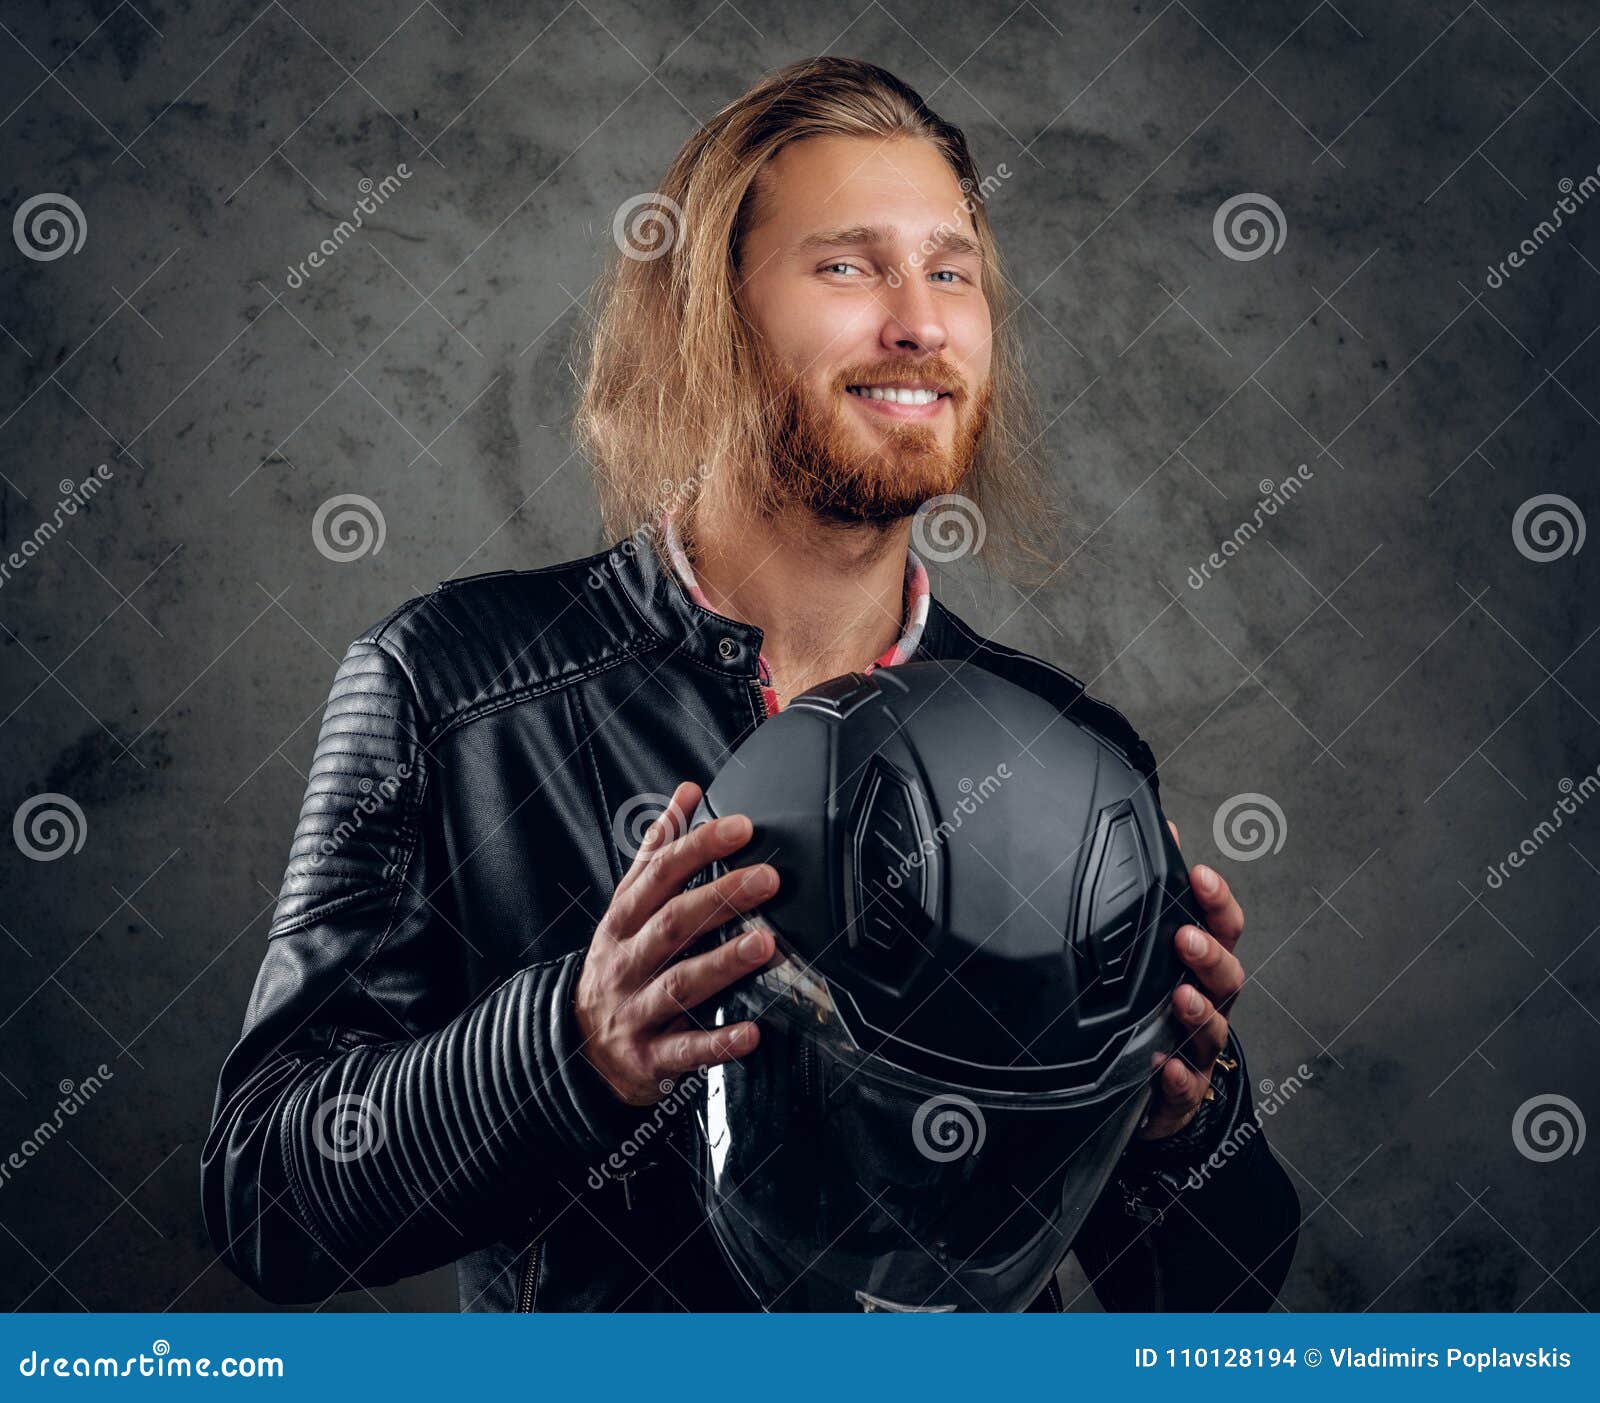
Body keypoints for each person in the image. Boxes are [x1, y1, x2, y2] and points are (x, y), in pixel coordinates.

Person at [201, 55, 1300, 1312]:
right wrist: (573, 1043)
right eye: (849, 264)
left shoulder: (1063, 752)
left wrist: (1180, 1130)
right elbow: (265, 1198)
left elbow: (1219, 1294)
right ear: (709, 314)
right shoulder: (452, 688)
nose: (920, 322)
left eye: (951, 271)